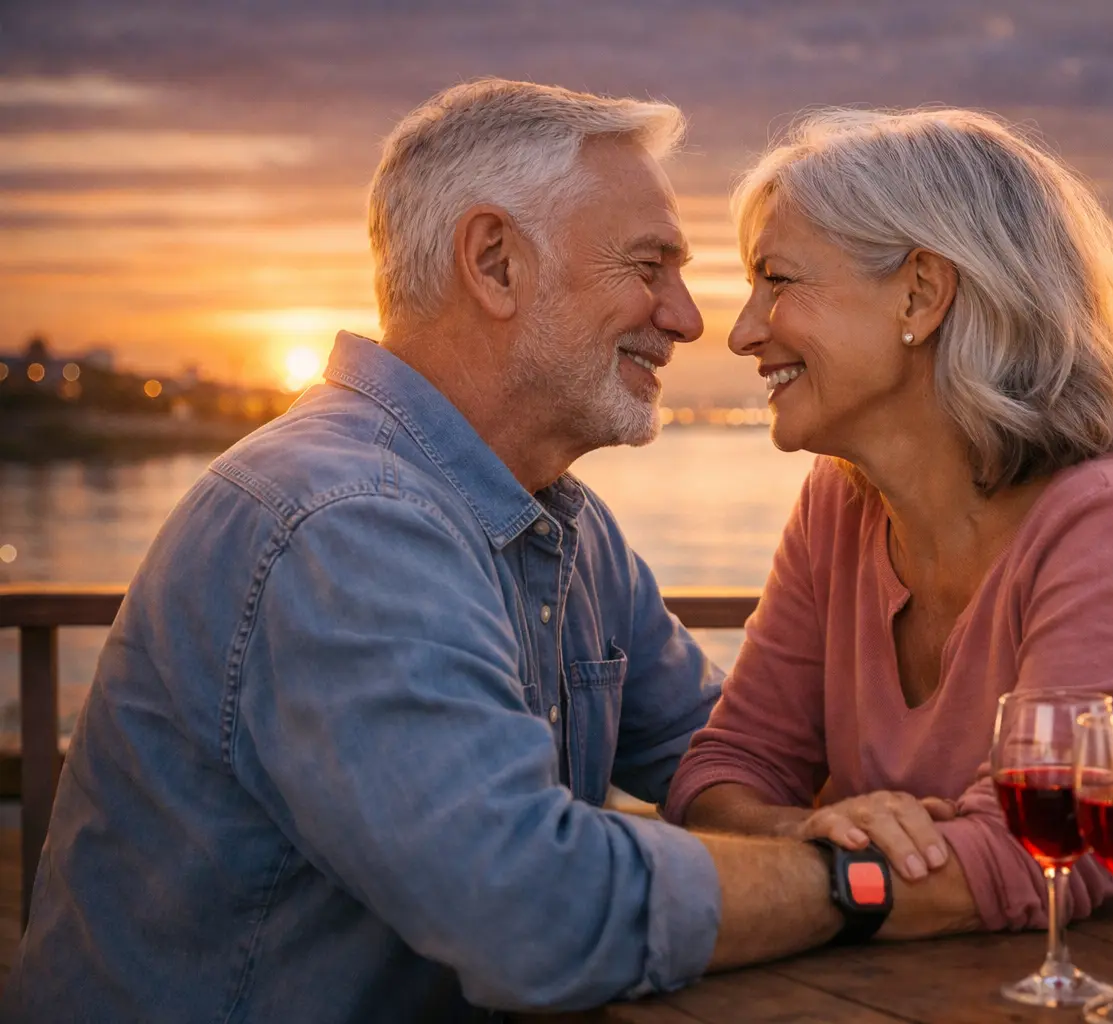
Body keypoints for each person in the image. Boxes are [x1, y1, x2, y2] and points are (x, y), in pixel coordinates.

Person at [2, 83, 973, 1022]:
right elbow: (531, 907)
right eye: (649, 267)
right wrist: (851, 878)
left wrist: (876, 816)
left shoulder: (564, 531)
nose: (688, 317)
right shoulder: (344, 523)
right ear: (495, 262)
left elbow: (733, 763)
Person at [664, 108, 1113, 932]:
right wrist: (809, 832)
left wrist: (800, 885)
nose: (744, 331)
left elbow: (1030, 859)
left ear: (922, 292)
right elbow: (726, 774)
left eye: (779, 281)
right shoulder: (841, 504)